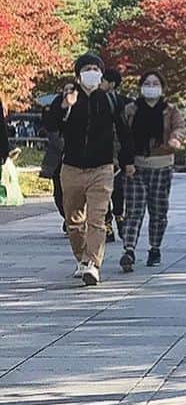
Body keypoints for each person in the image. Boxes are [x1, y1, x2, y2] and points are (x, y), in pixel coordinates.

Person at [42, 52, 134, 286]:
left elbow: (124, 132)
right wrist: (64, 105)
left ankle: (92, 263)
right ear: (78, 74)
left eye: (95, 68)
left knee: (97, 218)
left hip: (101, 168)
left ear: (101, 73)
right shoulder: (67, 98)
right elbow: (50, 125)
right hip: (71, 167)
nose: (91, 72)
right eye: (87, 69)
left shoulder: (110, 100)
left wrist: (127, 161)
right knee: (74, 222)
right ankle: (82, 258)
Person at [119, 72, 186, 272]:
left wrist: (176, 139)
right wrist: (125, 161)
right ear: (140, 87)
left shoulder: (170, 110)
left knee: (158, 210)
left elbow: (180, 128)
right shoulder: (131, 110)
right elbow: (122, 136)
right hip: (136, 166)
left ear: (162, 88)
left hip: (162, 164)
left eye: (155, 83)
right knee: (133, 210)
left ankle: (154, 247)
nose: (151, 86)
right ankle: (129, 249)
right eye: (147, 83)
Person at [101, 67, 129, 242]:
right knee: (100, 192)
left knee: (118, 190)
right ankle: (107, 224)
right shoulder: (93, 101)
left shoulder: (123, 103)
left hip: (119, 154)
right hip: (100, 153)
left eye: (103, 80)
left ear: (112, 84)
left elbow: (126, 131)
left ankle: (119, 215)